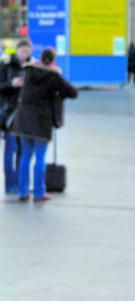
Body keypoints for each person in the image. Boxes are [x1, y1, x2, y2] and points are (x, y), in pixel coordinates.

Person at [9, 47, 78, 202]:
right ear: (53, 60)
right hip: (41, 121)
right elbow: (73, 92)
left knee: (25, 156)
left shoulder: (29, 71)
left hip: (23, 119)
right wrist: (58, 91)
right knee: (40, 158)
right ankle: (39, 192)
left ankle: (23, 191)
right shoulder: (54, 76)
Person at [0, 40, 33, 194]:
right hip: (9, 115)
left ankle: (21, 183)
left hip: (26, 115)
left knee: (23, 150)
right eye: (22, 51)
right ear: (17, 50)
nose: (24, 55)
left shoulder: (32, 67)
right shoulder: (6, 64)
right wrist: (11, 84)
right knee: (10, 149)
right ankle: (9, 184)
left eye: (27, 52)